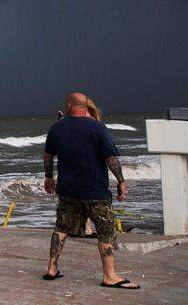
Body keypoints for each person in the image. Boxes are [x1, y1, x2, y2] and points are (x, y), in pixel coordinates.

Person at [42, 92, 139, 289]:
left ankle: (52, 268)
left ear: (70, 105)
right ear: (85, 106)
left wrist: (49, 177)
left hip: (68, 189)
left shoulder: (56, 128)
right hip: (94, 190)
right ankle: (109, 276)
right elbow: (111, 158)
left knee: (61, 227)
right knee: (106, 231)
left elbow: (48, 156)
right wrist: (121, 181)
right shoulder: (97, 127)